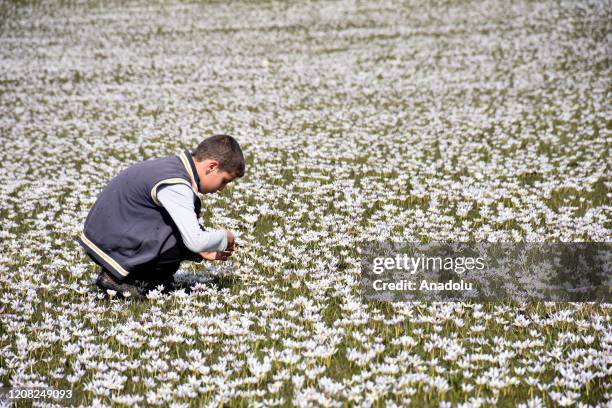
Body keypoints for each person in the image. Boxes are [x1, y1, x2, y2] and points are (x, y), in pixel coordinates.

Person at [77, 134, 245, 300]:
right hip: (112, 242)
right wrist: (225, 237)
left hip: (103, 234)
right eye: (225, 180)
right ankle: (124, 280)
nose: (222, 189)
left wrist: (202, 251)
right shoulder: (177, 184)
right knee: (176, 238)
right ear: (211, 167)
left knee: (179, 228)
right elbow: (195, 241)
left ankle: (147, 280)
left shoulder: (171, 166)